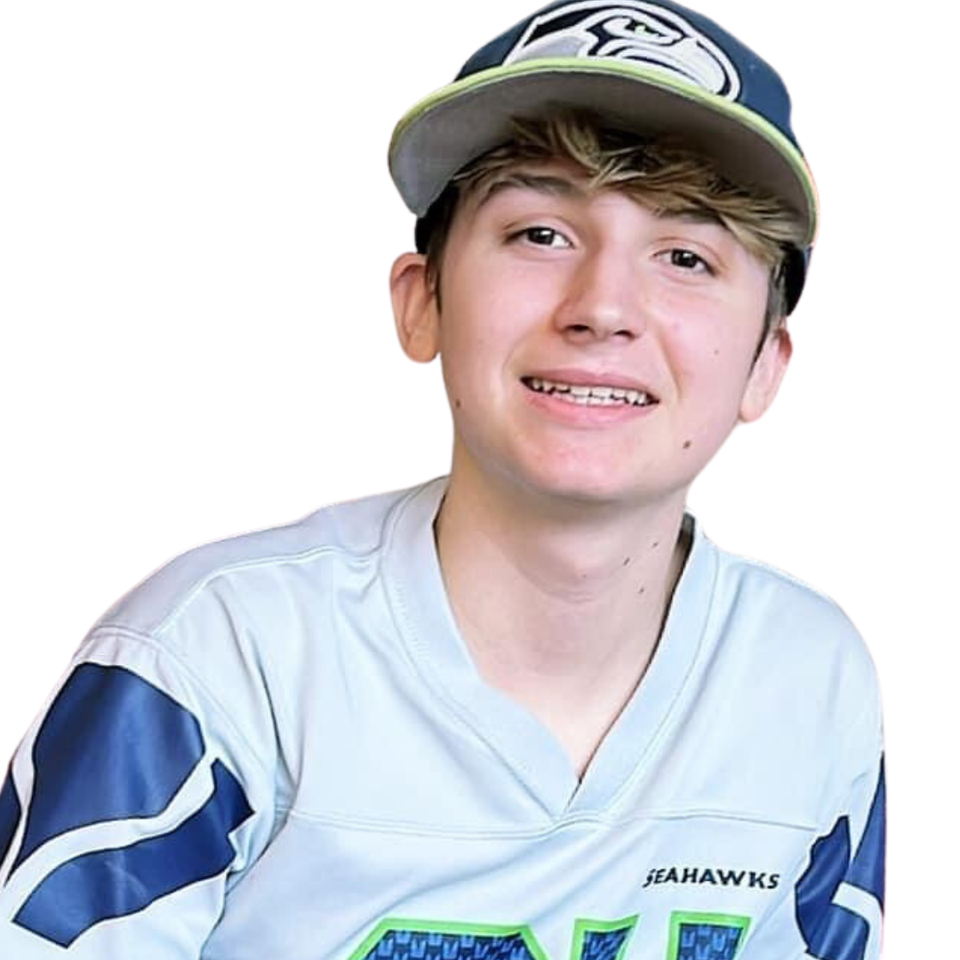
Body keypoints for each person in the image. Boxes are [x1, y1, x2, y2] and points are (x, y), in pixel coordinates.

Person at [0, 1, 884, 958]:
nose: (603, 308)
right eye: (540, 233)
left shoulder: (809, 678)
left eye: (686, 255)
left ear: (764, 365)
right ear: (422, 301)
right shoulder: (219, 658)